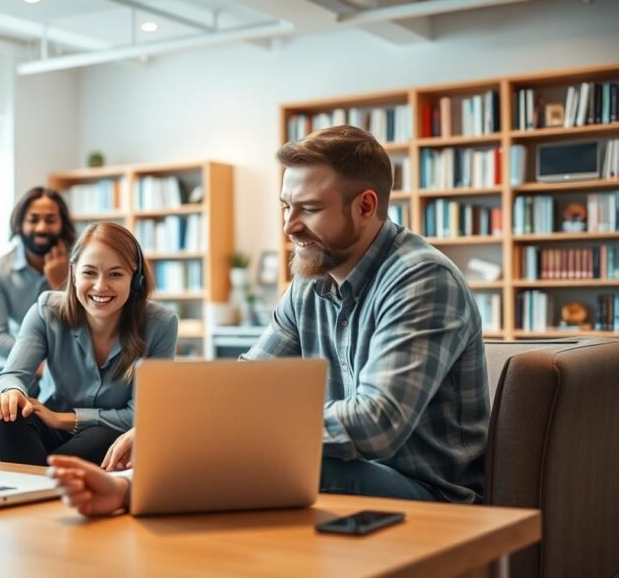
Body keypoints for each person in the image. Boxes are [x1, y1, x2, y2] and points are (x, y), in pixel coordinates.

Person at [51, 125, 489, 514]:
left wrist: (220, 433)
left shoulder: (420, 280)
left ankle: (128, 494)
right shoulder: (309, 283)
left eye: (310, 209)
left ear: (365, 206)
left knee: (293, 460)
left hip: (430, 497)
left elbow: (377, 423)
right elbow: (247, 381)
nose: (289, 226)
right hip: (350, 470)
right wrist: (167, 430)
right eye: (285, 206)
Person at [0, 221, 178, 466]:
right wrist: (11, 392)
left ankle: (43, 485)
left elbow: (141, 415)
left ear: (135, 279)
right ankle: (52, 484)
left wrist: (64, 419)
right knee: (4, 416)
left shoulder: (161, 324)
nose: (100, 286)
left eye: (115, 274)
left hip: (105, 435)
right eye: (89, 272)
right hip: (47, 432)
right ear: (74, 273)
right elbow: (10, 375)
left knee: (103, 436)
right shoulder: (47, 310)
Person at [0, 187, 77, 390]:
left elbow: (82, 325)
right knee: (17, 404)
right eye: (33, 220)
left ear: (62, 225)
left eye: (50, 220)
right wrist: (35, 361)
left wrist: (60, 282)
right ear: (20, 224)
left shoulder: (79, 268)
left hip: (65, 366)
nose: (41, 228)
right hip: (7, 365)